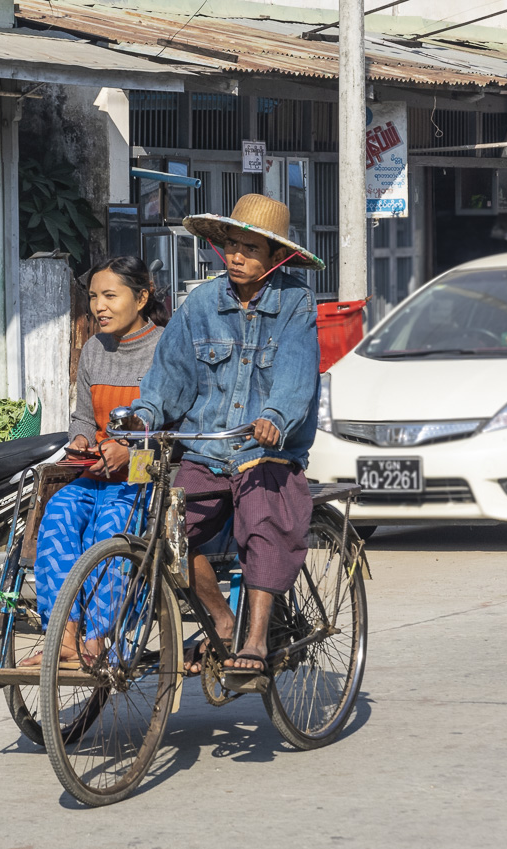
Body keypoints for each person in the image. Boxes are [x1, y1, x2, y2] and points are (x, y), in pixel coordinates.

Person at [129, 194, 325, 676]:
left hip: (266, 452)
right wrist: (144, 414)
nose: (236, 256)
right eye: (232, 245)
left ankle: (255, 640)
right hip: (207, 450)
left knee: (263, 524)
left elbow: (296, 375)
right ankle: (222, 621)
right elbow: (169, 377)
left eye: (250, 248)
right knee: (168, 533)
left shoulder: (297, 302)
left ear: (276, 257)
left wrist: (275, 417)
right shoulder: (201, 303)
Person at [20, 256, 168, 667]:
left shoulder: (165, 348)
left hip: (141, 474)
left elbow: (172, 423)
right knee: (58, 514)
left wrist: (131, 452)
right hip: (95, 470)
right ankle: (64, 635)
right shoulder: (93, 349)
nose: (99, 306)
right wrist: (82, 439)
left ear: (141, 298)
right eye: (93, 297)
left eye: (110, 296)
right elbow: (84, 417)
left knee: (111, 529)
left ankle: (99, 638)